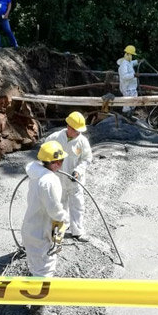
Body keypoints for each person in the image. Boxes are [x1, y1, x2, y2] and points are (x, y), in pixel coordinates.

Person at [21, 140, 69, 278]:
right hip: (41, 232)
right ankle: (40, 296)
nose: (61, 164)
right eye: (61, 161)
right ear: (56, 162)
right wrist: (65, 218)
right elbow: (54, 210)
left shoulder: (36, 173)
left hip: (31, 227)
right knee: (44, 270)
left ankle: (33, 291)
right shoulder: (49, 181)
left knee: (35, 265)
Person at [45, 112, 93, 242]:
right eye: (76, 130)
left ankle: (77, 231)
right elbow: (44, 153)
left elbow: (87, 158)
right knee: (59, 204)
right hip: (58, 179)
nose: (78, 133)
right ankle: (60, 228)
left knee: (77, 205)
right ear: (69, 127)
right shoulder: (54, 138)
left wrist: (78, 171)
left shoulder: (82, 142)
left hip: (75, 180)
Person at [117, 45, 141, 117]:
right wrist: (134, 75)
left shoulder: (128, 62)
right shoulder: (124, 65)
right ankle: (125, 116)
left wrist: (137, 61)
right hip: (127, 87)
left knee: (133, 102)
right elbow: (124, 76)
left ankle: (129, 115)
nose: (132, 56)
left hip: (131, 87)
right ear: (128, 54)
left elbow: (131, 63)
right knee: (128, 103)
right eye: (132, 55)